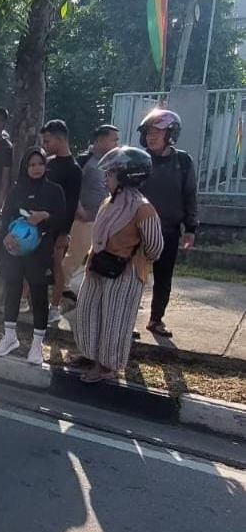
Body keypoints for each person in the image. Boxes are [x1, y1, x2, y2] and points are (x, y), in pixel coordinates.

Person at [71, 147, 164, 383]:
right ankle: (89, 354)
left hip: (125, 273)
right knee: (87, 310)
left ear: (125, 177)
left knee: (115, 320)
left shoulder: (143, 208)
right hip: (98, 267)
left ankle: (107, 366)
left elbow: (155, 246)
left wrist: (132, 259)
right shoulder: (108, 203)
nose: (106, 178)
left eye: (110, 174)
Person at [0, 147, 66, 364]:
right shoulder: (16, 189)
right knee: (13, 290)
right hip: (15, 250)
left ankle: (37, 344)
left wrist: (45, 216)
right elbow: (6, 218)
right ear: (25, 167)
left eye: (40, 164)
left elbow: (62, 219)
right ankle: (10, 337)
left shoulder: (54, 190)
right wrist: (5, 237)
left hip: (40, 251)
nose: (36, 168)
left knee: (39, 295)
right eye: (32, 164)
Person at [138, 108, 198, 338]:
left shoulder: (182, 162)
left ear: (170, 134)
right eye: (148, 132)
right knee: (133, 277)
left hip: (168, 230)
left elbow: (189, 194)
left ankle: (156, 320)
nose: (151, 137)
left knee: (164, 278)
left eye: (157, 132)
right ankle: (127, 319)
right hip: (139, 230)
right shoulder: (139, 159)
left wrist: (190, 228)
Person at [62, 124, 118, 296]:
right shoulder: (85, 160)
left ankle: (95, 286)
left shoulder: (111, 162)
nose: (117, 143)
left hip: (102, 216)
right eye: (113, 139)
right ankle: (61, 285)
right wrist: (79, 209)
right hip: (83, 217)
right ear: (100, 140)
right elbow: (70, 186)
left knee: (99, 254)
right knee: (76, 253)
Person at [39, 119, 82, 325]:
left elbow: (71, 204)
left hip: (59, 226)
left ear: (59, 139)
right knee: (35, 264)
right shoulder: (48, 163)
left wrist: (64, 233)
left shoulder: (74, 170)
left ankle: (54, 307)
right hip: (41, 223)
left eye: (47, 141)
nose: (44, 146)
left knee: (57, 266)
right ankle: (27, 300)